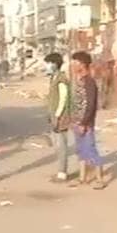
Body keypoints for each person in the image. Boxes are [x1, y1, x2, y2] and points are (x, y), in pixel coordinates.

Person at [70, 51, 105, 190]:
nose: (73, 65)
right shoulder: (78, 80)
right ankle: (82, 178)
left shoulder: (89, 82)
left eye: (75, 63)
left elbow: (90, 105)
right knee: (80, 151)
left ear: (82, 64)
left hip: (86, 123)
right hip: (76, 121)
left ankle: (99, 179)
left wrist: (84, 123)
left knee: (91, 150)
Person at [44, 53, 71, 182]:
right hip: (54, 115)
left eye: (49, 63)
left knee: (61, 145)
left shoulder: (61, 79)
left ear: (55, 64)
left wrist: (57, 116)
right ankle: (60, 170)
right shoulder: (53, 78)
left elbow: (63, 99)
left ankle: (62, 173)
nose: (47, 66)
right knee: (57, 144)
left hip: (60, 116)